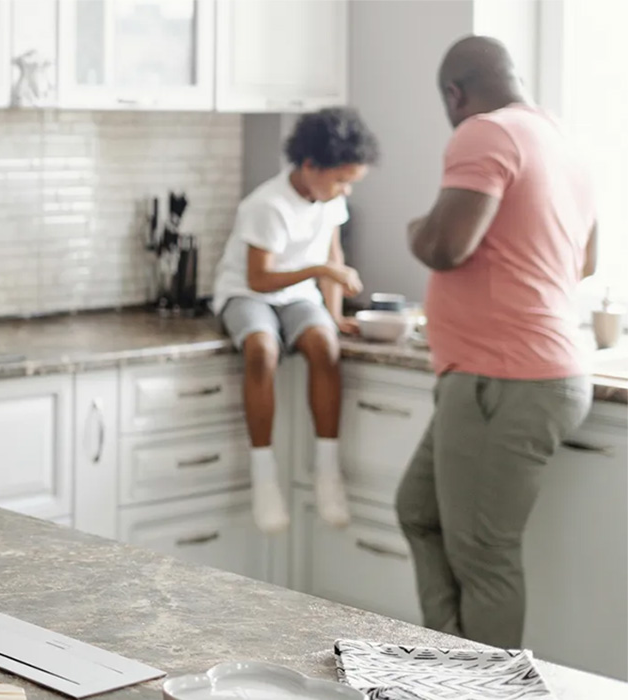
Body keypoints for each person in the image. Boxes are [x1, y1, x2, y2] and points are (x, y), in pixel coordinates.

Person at [396, 35, 597, 648]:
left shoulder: (485, 132)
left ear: (455, 94)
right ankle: (454, 666)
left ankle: (485, 688)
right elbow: (586, 262)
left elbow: (445, 246)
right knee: (418, 510)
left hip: (504, 380)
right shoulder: (563, 141)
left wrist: (416, 230)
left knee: (484, 556)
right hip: (522, 374)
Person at [212, 107, 379, 534]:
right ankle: (264, 476)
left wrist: (335, 313)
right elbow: (259, 278)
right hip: (248, 294)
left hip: (297, 297)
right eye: (340, 179)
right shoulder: (266, 206)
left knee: (326, 347)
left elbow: (332, 254)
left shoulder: (331, 201)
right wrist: (320, 273)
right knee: (262, 350)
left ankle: (328, 471)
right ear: (310, 165)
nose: (345, 190)